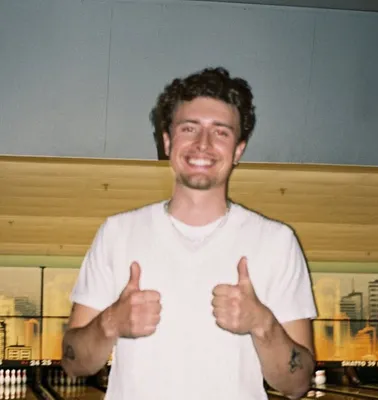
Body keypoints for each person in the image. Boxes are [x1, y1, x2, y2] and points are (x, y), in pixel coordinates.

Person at [61, 67, 317, 400]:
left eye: (221, 132)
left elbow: (298, 385)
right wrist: (110, 323)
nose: (203, 144)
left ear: (238, 150)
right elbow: (72, 363)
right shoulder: (117, 233)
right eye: (189, 128)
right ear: (167, 142)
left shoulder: (277, 242)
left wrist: (262, 323)